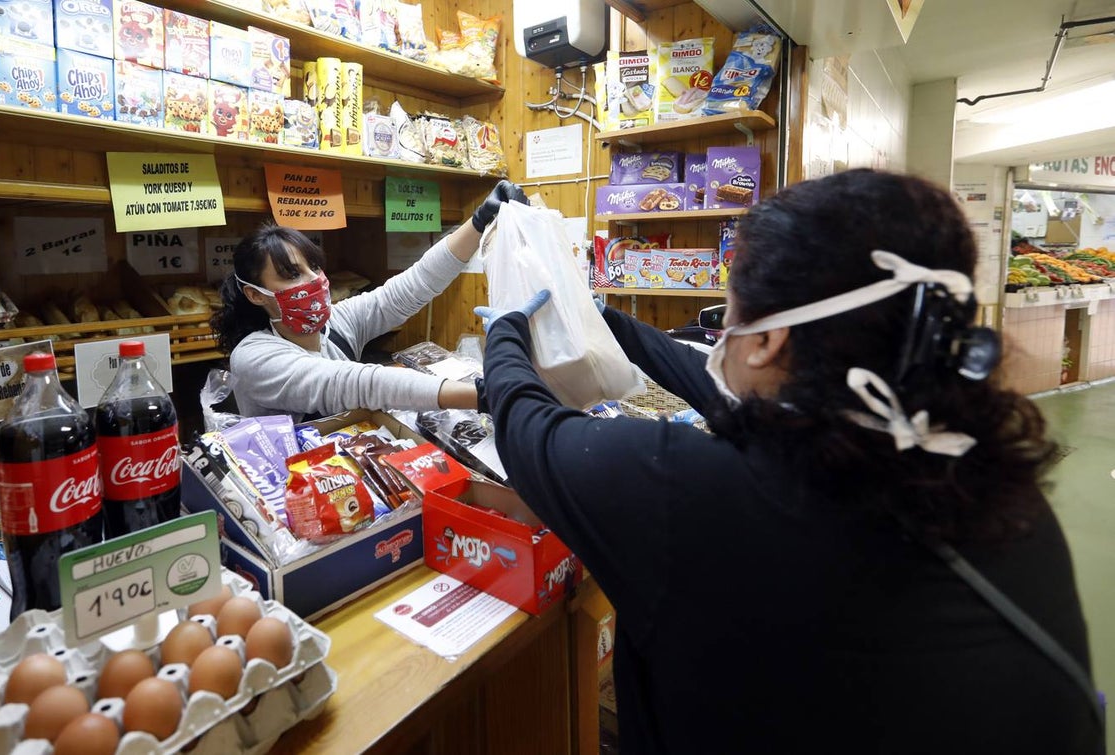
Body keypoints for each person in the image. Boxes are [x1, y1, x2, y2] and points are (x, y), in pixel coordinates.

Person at [475, 169, 1101, 754]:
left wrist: (507, 328)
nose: (721, 337)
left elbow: (528, 429)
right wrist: (583, 311)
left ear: (772, 337)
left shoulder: (693, 494)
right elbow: (708, 380)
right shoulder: (974, 470)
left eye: (730, 313)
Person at [212, 180, 524, 421]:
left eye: (314, 266)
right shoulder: (253, 356)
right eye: (291, 274)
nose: (312, 280)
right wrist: (483, 395)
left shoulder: (336, 323)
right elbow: (355, 384)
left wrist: (479, 221)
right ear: (255, 294)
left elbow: (411, 286)